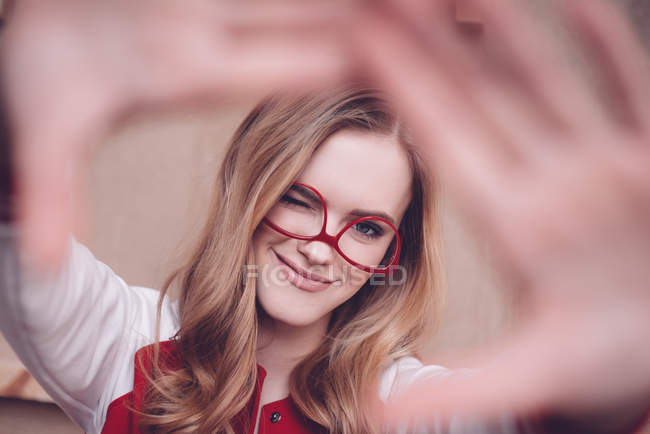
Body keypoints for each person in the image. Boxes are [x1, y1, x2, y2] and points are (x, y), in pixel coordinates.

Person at [1, 0, 650, 433]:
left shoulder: (407, 406)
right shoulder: (124, 341)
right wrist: (13, 118)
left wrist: (618, 382)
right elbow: (17, 234)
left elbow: (540, 413)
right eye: (300, 200)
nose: (320, 248)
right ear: (253, 193)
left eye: (367, 227)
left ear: (393, 256)